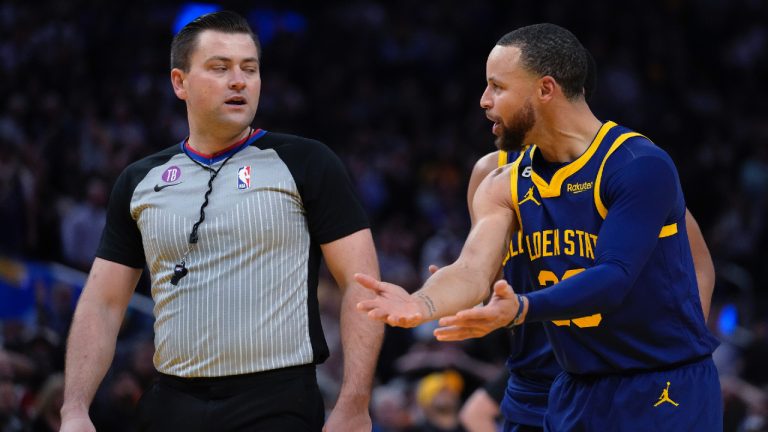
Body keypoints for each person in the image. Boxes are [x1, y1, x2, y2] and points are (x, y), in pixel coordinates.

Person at [356, 23, 722, 431]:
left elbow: (614, 277)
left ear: (546, 89)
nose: (483, 100)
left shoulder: (638, 165)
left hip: (660, 383)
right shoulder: (503, 181)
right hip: (574, 385)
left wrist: (522, 308)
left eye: (497, 87)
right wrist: (421, 303)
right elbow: (472, 269)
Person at [60, 11, 383, 432]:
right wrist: (74, 408)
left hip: (277, 401)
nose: (239, 81)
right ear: (180, 82)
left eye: (250, 69)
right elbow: (103, 303)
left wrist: (355, 403)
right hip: (171, 400)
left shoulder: (307, 161)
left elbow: (363, 285)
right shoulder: (139, 181)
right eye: (220, 68)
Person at [460, 149, 714, 432]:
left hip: (617, 378)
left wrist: (680, 348)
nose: (489, 113)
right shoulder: (494, 171)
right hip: (535, 384)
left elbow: (697, 262)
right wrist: (459, 290)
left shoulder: (622, 164)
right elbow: (484, 277)